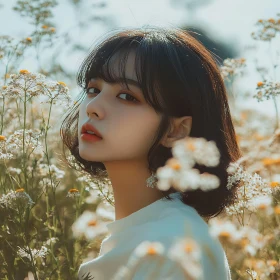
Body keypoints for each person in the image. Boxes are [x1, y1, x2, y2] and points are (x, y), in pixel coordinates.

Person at [60, 26, 241, 279]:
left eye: (126, 96)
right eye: (93, 89)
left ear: (175, 130)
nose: (93, 107)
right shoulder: (148, 233)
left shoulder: (174, 246)